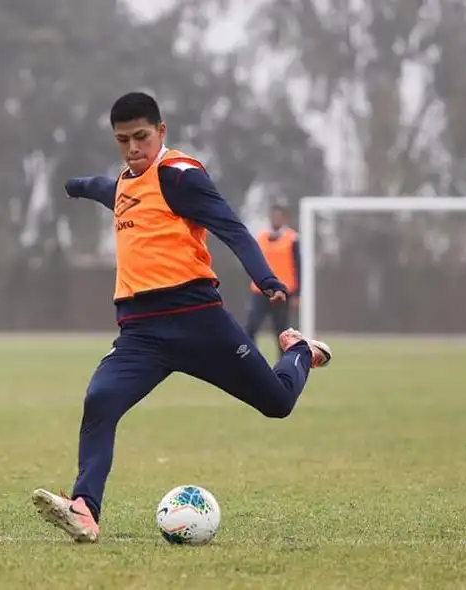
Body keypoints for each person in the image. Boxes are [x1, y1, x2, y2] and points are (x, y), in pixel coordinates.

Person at [31, 92, 333, 543]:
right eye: (122, 141)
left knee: (277, 403)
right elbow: (102, 187)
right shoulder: (122, 185)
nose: (133, 149)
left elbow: (231, 226)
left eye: (142, 137)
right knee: (100, 400)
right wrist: (71, 185)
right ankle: (84, 509)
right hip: (141, 334)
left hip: (199, 322)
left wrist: (267, 278)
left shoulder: (180, 177)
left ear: (161, 132)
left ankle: (302, 353)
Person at [245, 203, 301, 360]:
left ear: (284, 218)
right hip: (260, 291)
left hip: (283, 292)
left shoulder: (292, 239)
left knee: (281, 332)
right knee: (251, 326)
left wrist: (297, 294)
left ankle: (284, 366)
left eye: (279, 216)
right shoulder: (261, 237)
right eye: (273, 215)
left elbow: (298, 266)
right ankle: (251, 361)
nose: (276, 218)